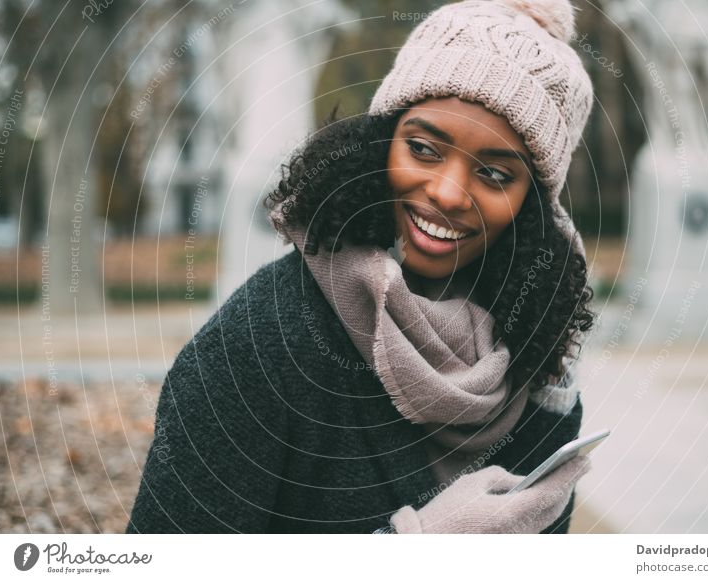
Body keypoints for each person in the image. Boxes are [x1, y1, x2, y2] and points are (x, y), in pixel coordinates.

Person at [126, 0, 596, 534]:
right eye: (422, 148)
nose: (446, 192)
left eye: (493, 174)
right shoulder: (257, 345)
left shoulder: (537, 360)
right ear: (379, 144)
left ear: (532, 206)